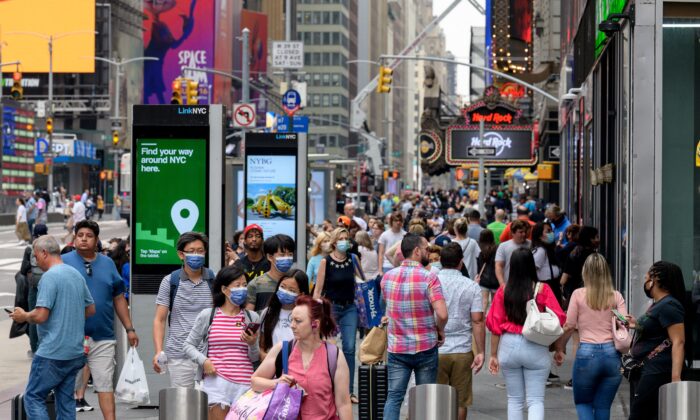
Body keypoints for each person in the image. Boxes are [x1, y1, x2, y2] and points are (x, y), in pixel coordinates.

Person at [10, 235, 95, 420]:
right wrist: (68, 316)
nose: (35, 260)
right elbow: (91, 308)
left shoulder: (49, 278)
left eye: (35, 256)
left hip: (52, 352)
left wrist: (23, 315)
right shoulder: (75, 274)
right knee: (65, 402)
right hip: (74, 352)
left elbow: (41, 315)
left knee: (33, 397)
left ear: (44, 253)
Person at [62, 220, 138, 418]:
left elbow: (119, 297)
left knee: (105, 385)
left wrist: (129, 328)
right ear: (74, 238)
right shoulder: (64, 262)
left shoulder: (107, 263)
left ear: (96, 240)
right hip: (71, 336)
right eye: (80, 235)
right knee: (67, 386)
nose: (84, 239)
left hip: (103, 335)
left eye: (89, 236)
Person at [486, 248, 566, 420]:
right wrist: (559, 349)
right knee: (535, 400)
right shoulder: (543, 289)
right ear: (532, 265)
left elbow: (495, 325)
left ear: (511, 266)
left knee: (514, 400)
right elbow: (557, 320)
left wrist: (493, 355)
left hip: (508, 346)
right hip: (536, 345)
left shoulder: (503, 291)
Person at [381, 233, 448, 420]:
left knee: (393, 397)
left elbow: (387, 308)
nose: (429, 251)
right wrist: (439, 329)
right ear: (417, 251)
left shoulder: (387, 278)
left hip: (397, 347)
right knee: (425, 400)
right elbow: (442, 314)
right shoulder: (430, 278)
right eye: (426, 248)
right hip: (425, 346)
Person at [251, 296, 353, 419]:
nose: (292, 325)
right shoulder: (282, 349)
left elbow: (343, 404)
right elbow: (255, 381)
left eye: (298, 321)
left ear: (315, 324)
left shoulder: (334, 356)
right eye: (291, 320)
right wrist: (277, 383)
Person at [553, 253, 627, 420]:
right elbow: (624, 323)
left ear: (585, 272)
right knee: (603, 405)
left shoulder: (578, 295)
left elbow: (569, 325)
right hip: (612, 356)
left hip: (587, 353)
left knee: (583, 403)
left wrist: (559, 348)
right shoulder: (616, 296)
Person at [183, 265, 261, 420]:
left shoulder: (252, 317)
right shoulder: (208, 315)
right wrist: (204, 361)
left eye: (245, 285)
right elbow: (188, 345)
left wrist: (252, 343)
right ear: (225, 289)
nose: (242, 289)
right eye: (237, 285)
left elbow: (254, 358)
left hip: (245, 385)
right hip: (216, 383)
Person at [624, 261, 687, 420]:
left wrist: (675, 380)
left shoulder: (670, 305)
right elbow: (657, 330)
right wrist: (636, 324)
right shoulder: (659, 304)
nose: (645, 280)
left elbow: (678, 341)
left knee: (639, 415)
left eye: (647, 276)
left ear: (655, 280)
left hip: (657, 371)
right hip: (649, 370)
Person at [153, 232, 215, 388]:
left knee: (211, 406)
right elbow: (159, 320)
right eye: (191, 251)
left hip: (210, 355)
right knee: (183, 406)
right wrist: (159, 351)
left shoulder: (215, 280)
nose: (196, 255)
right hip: (179, 356)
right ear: (181, 254)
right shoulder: (170, 281)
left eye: (200, 251)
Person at [436, 243, 485, 420]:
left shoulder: (431, 282)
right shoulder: (471, 286)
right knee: (460, 401)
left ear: (440, 261)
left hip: (436, 349)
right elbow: (478, 320)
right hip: (462, 349)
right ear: (461, 262)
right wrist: (481, 351)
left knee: (436, 399)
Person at [313, 227, 361, 403]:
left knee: (349, 348)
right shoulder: (325, 262)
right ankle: (329, 388)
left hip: (350, 308)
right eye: (341, 238)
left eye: (346, 238)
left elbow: (362, 282)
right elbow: (317, 290)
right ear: (334, 242)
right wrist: (315, 314)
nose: (344, 241)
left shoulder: (353, 259)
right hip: (331, 308)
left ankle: (348, 391)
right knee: (330, 349)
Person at [259, 269, 310, 359]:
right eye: (282, 287)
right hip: (272, 368)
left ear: (301, 294)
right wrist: (267, 359)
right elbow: (262, 347)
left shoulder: (307, 315)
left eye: (292, 290)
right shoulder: (268, 312)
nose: (285, 292)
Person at [246, 234, 295, 312]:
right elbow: (249, 316)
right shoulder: (256, 284)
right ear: (270, 257)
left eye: (290, 255)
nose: (287, 258)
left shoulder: (296, 282)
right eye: (282, 255)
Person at [21, 224, 49, 358]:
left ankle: (34, 349)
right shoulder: (50, 246)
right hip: (49, 285)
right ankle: (46, 346)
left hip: (34, 287)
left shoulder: (29, 249)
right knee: (48, 315)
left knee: (33, 316)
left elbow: (23, 270)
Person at [560, 226, 599, 302]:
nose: (598, 240)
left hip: (575, 295)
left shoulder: (574, 254)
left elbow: (563, 280)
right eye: (596, 237)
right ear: (590, 239)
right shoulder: (595, 257)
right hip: (592, 295)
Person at [531, 222, 562, 304]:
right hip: (546, 288)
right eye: (548, 231)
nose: (551, 233)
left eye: (551, 230)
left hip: (553, 286)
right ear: (540, 236)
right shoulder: (541, 251)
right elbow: (531, 271)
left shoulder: (548, 250)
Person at [495, 220, 532, 285]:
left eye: (525, 231)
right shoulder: (503, 246)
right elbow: (498, 265)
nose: (524, 234)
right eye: (520, 232)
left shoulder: (531, 245)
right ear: (513, 233)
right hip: (510, 285)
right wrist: (502, 283)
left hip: (528, 285)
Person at [476, 229, 499, 309]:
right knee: (494, 303)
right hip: (495, 280)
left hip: (484, 281)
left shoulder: (481, 252)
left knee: (484, 301)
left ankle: (482, 320)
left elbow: (479, 266)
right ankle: (492, 320)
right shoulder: (497, 249)